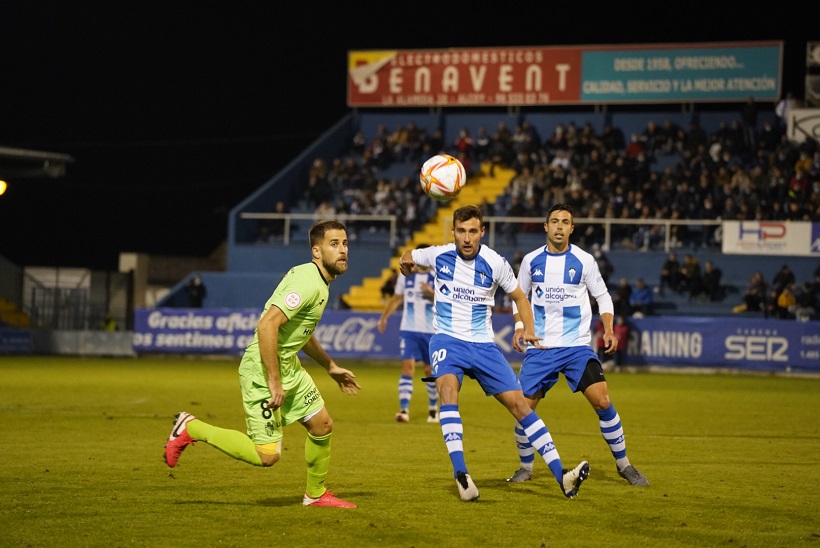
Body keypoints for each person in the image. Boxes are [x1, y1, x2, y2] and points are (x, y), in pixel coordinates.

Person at [163, 220, 362, 509]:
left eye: (345, 244)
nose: (343, 250)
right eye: (334, 244)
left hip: (288, 366)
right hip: (262, 370)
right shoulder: (307, 282)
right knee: (267, 455)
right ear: (316, 251)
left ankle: (315, 495)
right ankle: (191, 428)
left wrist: (330, 366)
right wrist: (273, 380)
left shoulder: (320, 282)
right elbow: (266, 326)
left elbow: (300, 334)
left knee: (322, 425)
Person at [398, 205, 590, 502]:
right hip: (448, 340)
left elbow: (519, 296)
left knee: (521, 406)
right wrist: (405, 263)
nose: (466, 238)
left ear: (482, 232)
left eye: (472, 231)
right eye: (461, 231)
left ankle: (562, 476)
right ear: (453, 232)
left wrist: (526, 326)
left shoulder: (495, 262)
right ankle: (461, 475)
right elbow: (410, 254)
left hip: (484, 345)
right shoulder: (438, 254)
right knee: (448, 391)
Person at [507, 203, 648, 487]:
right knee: (523, 408)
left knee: (603, 400)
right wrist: (520, 328)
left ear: (572, 228)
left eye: (565, 222)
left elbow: (604, 297)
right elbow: (518, 297)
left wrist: (608, 329)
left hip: (576, 348)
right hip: (541, 347)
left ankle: (624, 464)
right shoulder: (531, 261)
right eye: (555, 221)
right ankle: (525, 467)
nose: (560, 226)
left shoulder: (584, 261)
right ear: (546, 227)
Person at [377, 244, 439, 423]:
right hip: (409, 330)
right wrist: (384, 318)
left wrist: (431, 292)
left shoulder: (436, 276)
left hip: (430, 331)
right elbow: (397, 298)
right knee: (407, 369)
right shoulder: (405, 278)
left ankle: (433, 409)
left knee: (430, 370)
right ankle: (404, 410)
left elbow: (448, 299)